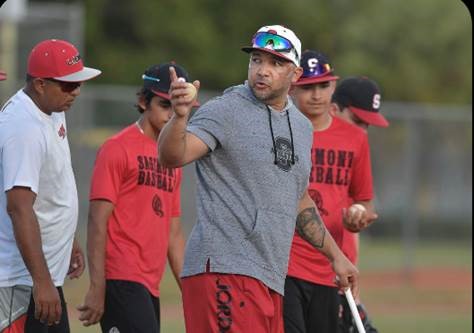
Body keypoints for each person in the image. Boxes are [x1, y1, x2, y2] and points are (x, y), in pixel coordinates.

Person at [158, 25, 359, 333]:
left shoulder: (301, 128)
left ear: (295, 74)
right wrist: (180, 117)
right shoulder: (225, 110)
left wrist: (336, 256)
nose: (262, 71)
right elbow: (173, 156)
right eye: (256, 60)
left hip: (270, 276)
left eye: (276, 63)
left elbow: (299, 201)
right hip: (223, 268)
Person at [77, 63, 191, 332]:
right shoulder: (116, 148)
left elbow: (174, 234)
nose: (171, 113)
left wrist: (190, 290)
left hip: (150, 283)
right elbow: (96, 221)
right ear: (143, 101)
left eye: (178, 106)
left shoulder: (173, 158)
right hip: (120, 277)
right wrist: (97, 286)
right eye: (165, 105)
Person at [0, 39, 101, 333]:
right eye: (68, 85)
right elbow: (19, 208)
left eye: (78, 84)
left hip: (44, 276)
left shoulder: (53, 109)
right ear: (41, 84)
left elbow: (52, 182)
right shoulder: (24, 128)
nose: (76, 92)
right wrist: (42, 281)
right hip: (20, 281)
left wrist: (67, 238)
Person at [283, 50, 378, 333]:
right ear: (291, 88)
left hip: (328, 267)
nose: (316, 95)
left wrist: (358, 216)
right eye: (308, 87)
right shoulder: (280, 132)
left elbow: (364, 200)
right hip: (283, 263)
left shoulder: (355, 138)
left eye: (323, 85)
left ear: (333, 87)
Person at [332, 76, 389, 333]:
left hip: (342, 284)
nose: (362, 131)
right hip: (309, 280)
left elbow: (362, 206)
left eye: (367, 125)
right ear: (334, 109)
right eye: (358, 121)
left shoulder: (356, 150)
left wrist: (354, 296)